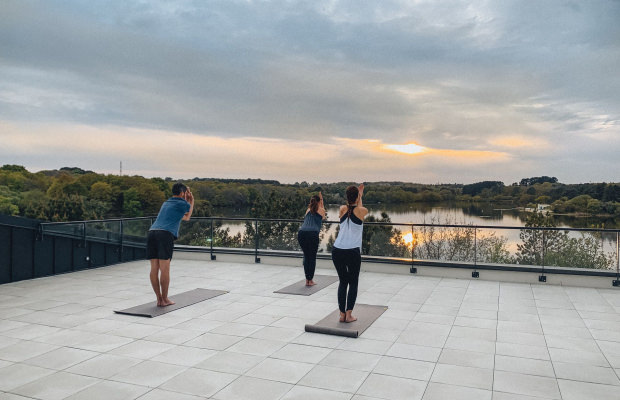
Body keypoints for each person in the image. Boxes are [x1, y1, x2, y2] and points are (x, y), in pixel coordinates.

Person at [147, 182, 194, 306]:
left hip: (152, 232)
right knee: (164, 269)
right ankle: (165, 299)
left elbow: (180, 217)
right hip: (164, 235)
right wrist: (191, 200)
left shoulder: (166, 203)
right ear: (183, 193)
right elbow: (188, 217)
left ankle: (159, 299)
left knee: (154, 268)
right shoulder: (183, 203)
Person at [331, 183, 368, 322]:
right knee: (353, 282)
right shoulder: (362, 210)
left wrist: (358, 196)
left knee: (343, 281)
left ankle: (341, 315)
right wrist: (360, 196)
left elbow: (354, 209)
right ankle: (349, 315)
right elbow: (359, 210)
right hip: (352, 251)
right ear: (357, 197)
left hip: (337, 250)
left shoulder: (342, 209)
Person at [297, 192, 326, 286]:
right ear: (319, 202)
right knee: (312, 257)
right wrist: (322, 200)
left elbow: (316, 207)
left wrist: (320, 200)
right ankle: (311, 281)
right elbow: (322, 211)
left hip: (301, 233)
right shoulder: (321, 210)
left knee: (306, 256)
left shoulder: (308, 210)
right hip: (312, 234)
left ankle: (307, 280)